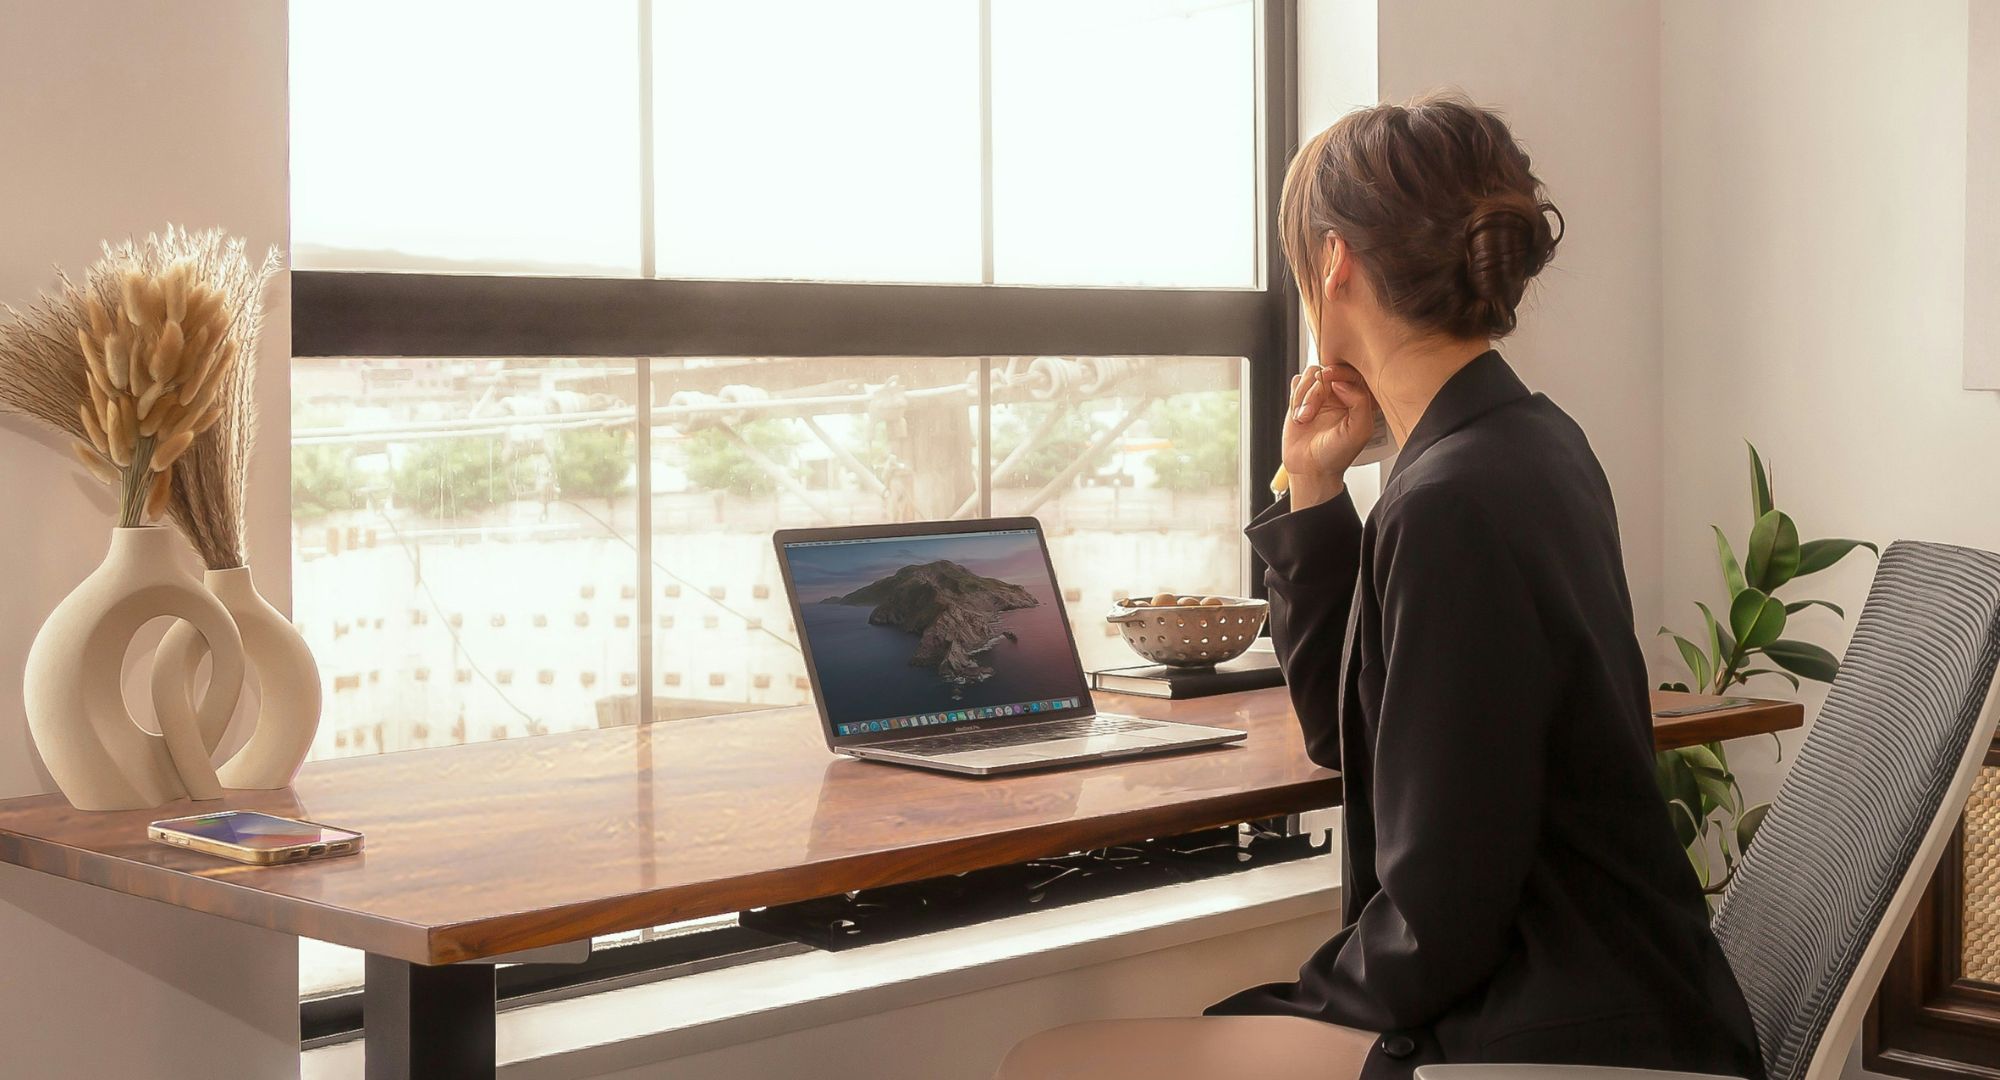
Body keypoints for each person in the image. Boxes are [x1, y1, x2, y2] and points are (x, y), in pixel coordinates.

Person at [995, 94, 1765, 1080]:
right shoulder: (1521, 442)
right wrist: (1314, 490)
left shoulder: (1453, 499)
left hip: (1554, 1028)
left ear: (1332, 263)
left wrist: (1289, 1013)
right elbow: (1348, 734)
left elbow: (1442, 907)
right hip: (1605, 996)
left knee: (1054, 1063)